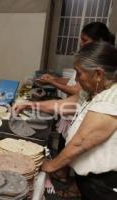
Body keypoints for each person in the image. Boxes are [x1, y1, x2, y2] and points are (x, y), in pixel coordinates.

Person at [21, 42, 117, 200]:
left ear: (98, 74)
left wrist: (49, 165)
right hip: (89, 180)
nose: (77, 80)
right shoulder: (93, 91)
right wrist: (30, 105)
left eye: (79, 73)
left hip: (104, 184)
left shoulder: (110, 101)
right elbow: (63, 106)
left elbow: (80, 142)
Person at [37, 22, 115, 97]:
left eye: (85, 40)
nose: (81, 43)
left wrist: (51, 82)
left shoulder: (96, 62)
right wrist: (54, 79)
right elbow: (73, 82)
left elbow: (77, 91)